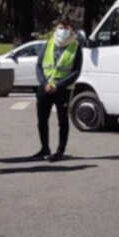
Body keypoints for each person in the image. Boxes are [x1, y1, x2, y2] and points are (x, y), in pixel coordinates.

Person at [33, 17, 83, 161]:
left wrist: (57, 85)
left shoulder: (75, 47)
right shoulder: (48, 44)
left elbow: (76, 71)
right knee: (42, 120)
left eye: (66, 28)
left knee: (62, 121)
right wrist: (44, 83)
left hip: (62, 90)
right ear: (55, 29)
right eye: (60, 27)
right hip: (45, 88)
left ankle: (60, 151)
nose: (63, 31)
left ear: (71, 30)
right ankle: (44, 149)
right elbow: (39, 66)